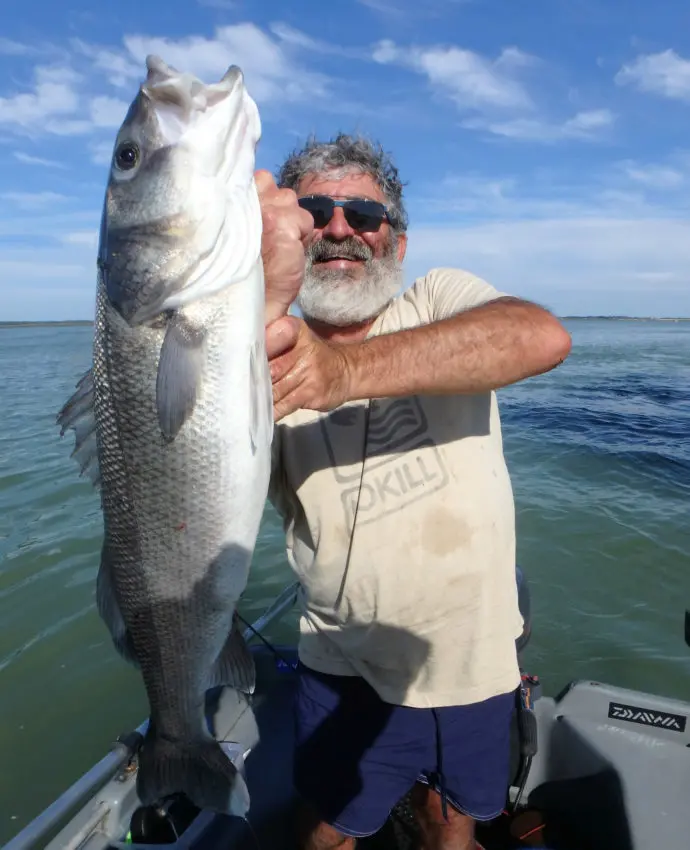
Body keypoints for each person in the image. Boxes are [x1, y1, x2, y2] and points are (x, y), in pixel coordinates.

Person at [255, 134, 572, 850]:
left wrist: (338, 372)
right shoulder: (258, 352)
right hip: (340, 664)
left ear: (396, 239)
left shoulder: (439, 298)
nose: (340, 229)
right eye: (315, 212)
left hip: (471, 659)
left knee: (449, 819)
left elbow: (539, 337)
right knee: (329, 831)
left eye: (363, 214)